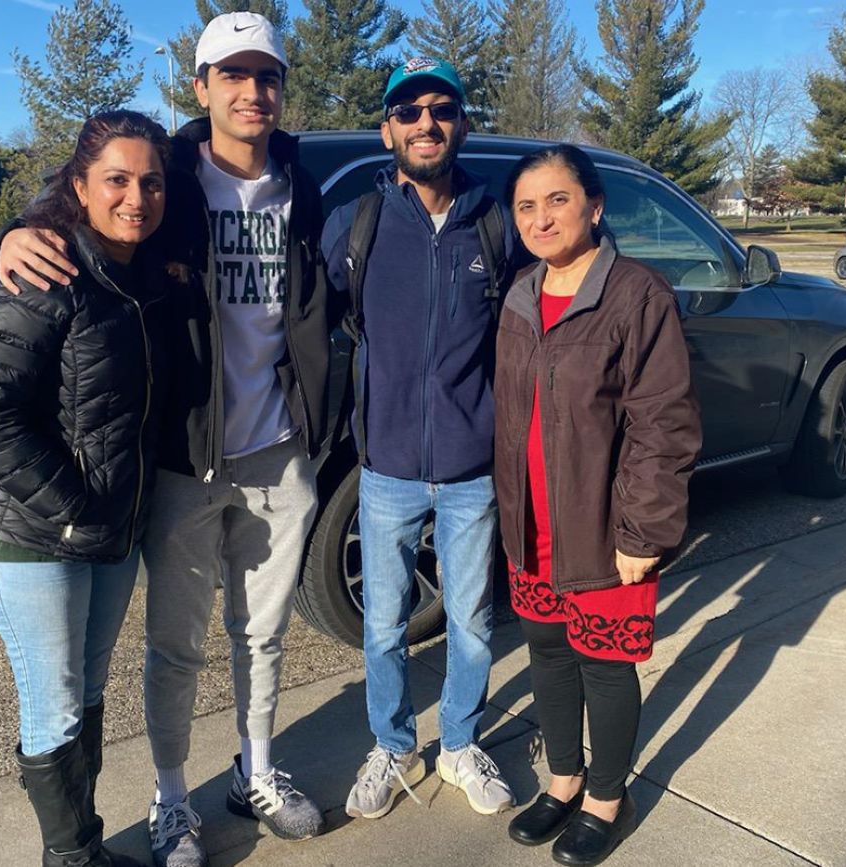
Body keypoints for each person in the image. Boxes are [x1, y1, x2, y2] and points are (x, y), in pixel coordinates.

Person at [0, 13, 332, 866]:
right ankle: (171, 798)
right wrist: (13, 232)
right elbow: (87, 194)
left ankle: (254, 769)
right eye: (233, 76)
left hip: (279, 453)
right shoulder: (171, 177)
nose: (253, 93)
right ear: (202, 87)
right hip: (183, 456)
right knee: (175, 645)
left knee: (264, 635)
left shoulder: (302, 180)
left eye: (268, 78)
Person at [0, 109, 173, 867]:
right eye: (116, 179)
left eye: (150, 181)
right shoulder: (46, 269)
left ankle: (85, 846)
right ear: (78, 186)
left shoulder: (136, 272)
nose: (135, 196)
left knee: (84, 700)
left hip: (105, 534)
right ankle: (71, 857)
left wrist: (103, 523)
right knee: (53, 708)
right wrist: (74, 515)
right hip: (32, 540)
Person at [494, 145, 701, 866]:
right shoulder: (521, 293)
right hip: (531, 524)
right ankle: (563, 779)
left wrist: (644, 528)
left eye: (557, 199)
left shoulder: (636, 294)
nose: (541, 217)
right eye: (527, 205)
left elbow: (663, 421)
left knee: (603, 664)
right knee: (549, 654)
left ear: (594, 206)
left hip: (606, 528)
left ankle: (609, 798)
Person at [321, 58, 516, 821]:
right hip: (386, 468)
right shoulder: (358, 225)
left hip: (472, 468)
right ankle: (394, 743)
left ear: (461, 123)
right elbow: (298, 311)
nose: (425, 122)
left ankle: (461, 742)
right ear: (388, 130)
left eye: (441, 109)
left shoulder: (496, 224)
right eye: (409, 111)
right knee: (382, 625)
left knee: (471, 620)